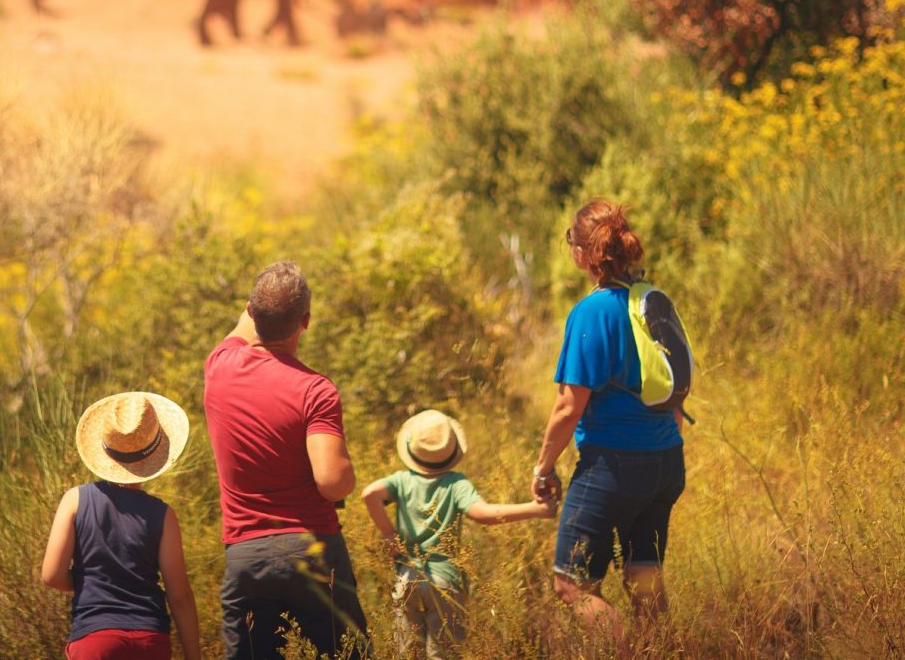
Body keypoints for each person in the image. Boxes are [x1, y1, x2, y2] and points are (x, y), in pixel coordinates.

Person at [532, 199, 686, 642]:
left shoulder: (591, 312)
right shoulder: (654, 302)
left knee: (571, 585)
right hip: (666, 462)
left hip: (613, 468)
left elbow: (567, 408)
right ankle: (665, 652)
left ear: (582, 253)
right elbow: (676, 385)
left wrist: (543, 467)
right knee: (644, 580)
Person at [203, 260, 370, 659]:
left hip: (246, 554)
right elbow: (332, 482)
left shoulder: (219, 366)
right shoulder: (315, 390)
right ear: (306, 321)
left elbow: (247, 323)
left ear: (251, 311)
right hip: (311, 546)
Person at [361, 409, 555, 659]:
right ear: (451, 452)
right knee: (443, 653)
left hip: (406, 577)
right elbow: (482, 513)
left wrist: (389, 534)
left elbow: (369, 494)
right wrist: (535, 509)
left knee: (408, 652)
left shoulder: (401, 481)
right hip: (444, 581)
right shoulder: (456, 483)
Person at [40, 392, 202, 660]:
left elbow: (51, 575)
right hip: (150, 640)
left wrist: (89, 582)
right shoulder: (163, 515)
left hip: (95, 639)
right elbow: (180, 595)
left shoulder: (75, 501)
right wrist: (194, 655)